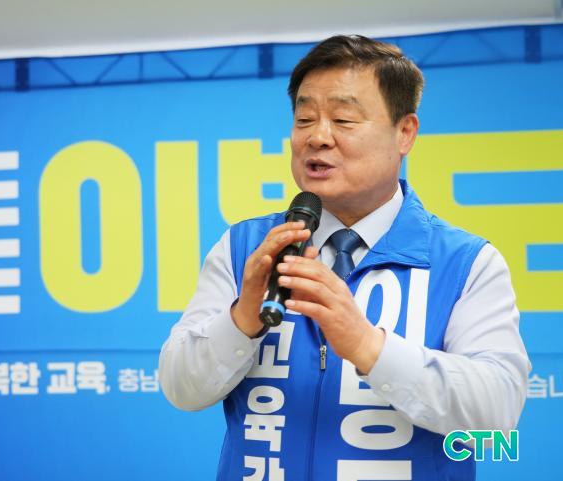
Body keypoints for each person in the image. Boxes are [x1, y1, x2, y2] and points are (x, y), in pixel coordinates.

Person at [159, 35, 530, 481]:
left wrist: (367, 346)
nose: (317, 137)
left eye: (343, 119)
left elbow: (498, 415)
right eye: (304, 119)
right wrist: (241, 320)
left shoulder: (466, 263)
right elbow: (181, 388)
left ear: (405, 132)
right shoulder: (245, 248)